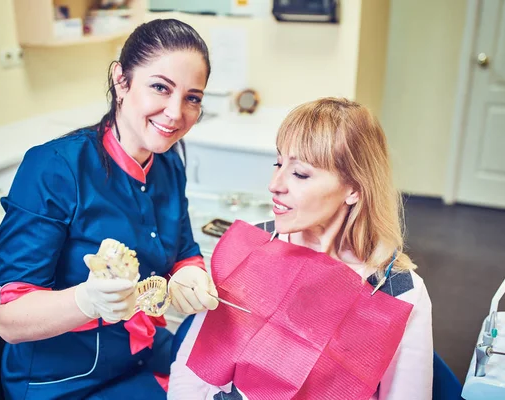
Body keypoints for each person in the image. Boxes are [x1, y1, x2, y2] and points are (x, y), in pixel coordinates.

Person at [0, 18, 219, 399]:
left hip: (139, 351)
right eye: (160, 87)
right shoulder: (55, 168)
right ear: (121, 80)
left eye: (192, 98)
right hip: (65, 379)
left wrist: (188, 275)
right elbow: (10, 320)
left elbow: (183, 252)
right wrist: (86, 300)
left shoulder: (167, 162)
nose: (176, 113)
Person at [168, 98, 433, 399]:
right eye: (278, 164)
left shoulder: (397, 293)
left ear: (354, 189)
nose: (275, 184)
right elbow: (192, 373)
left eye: (300, 174)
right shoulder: (253, 247)